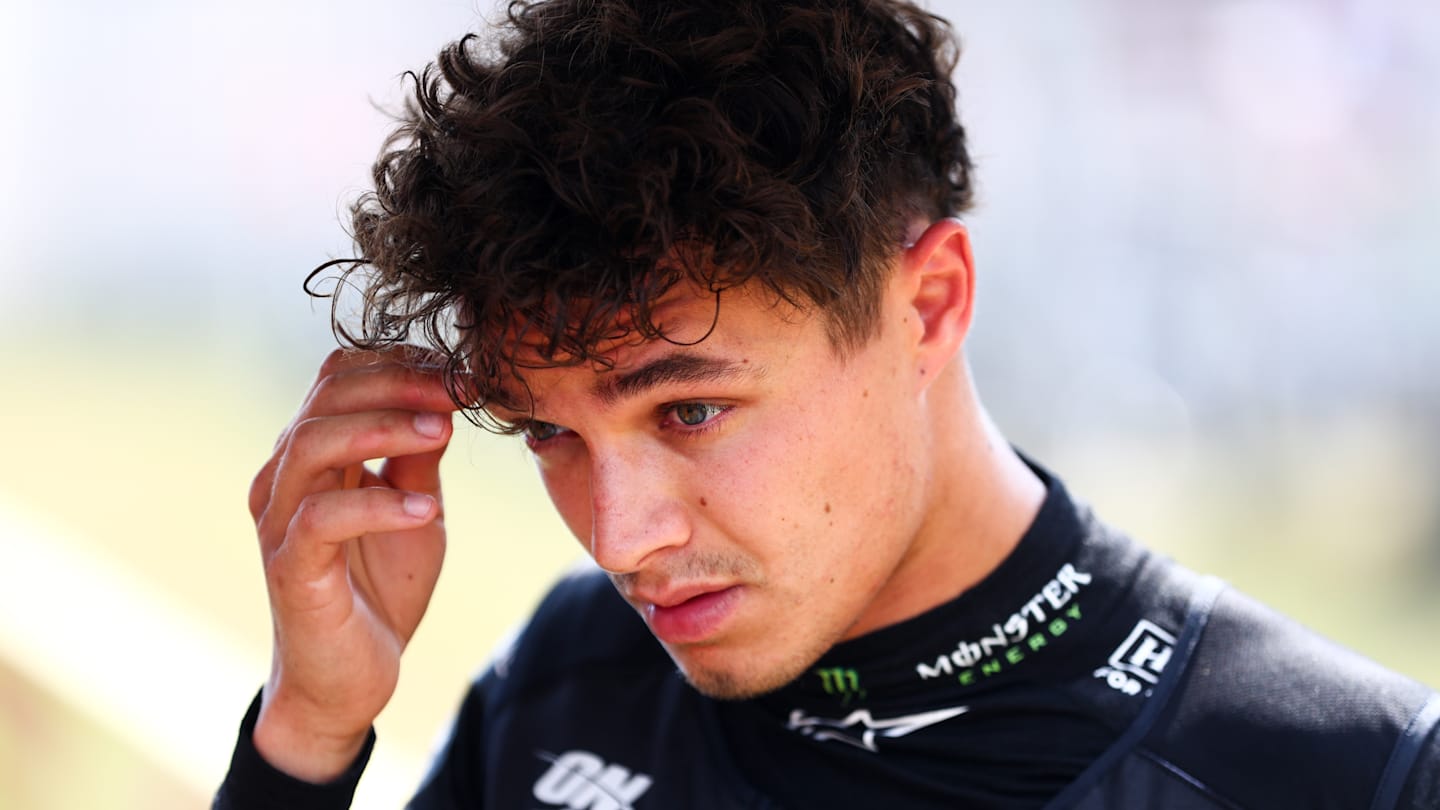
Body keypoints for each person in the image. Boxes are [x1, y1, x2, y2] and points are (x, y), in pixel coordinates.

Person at [214, 1, 1440, 807]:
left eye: (689, 409)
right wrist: (306, 740)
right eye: (550, 433)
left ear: (930, 305)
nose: (622, 538)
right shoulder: (569, 678)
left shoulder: (1346, 774)